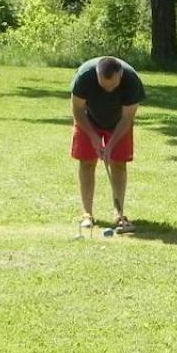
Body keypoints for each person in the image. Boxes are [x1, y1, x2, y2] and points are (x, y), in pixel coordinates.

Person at [70, 55, 145, 234]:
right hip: (88, 118)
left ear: (120, 75)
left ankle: (118, 214)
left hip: (119, 121)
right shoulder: (84, 76)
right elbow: (77, 109)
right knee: (87, 162)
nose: (109, 89)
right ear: (97, 75)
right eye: (104, 85)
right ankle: (87, 214)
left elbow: (128, 117)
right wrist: (93, 136)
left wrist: (110, 144)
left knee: (118, 164)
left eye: (113, 85)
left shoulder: (132, 80)